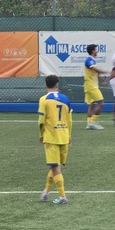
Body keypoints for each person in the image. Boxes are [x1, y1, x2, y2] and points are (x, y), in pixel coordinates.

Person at [38, 75, 72, 204]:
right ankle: (45, 192)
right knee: (55, 167)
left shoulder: (43, 99)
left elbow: (41, 121)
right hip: (64, 136)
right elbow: (69, 120)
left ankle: (63, 196)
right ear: (57, 85)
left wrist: (41, 135)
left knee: (55, 167)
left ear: (46, 85)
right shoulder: (66, 99)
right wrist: (69, 135)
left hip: (51, 137)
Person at [84, 44, 107, 130]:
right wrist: (105, 71)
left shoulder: (93, 60)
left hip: (91, 85)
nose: (97, 51)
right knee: (101, 103)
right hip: (91, 86)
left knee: (92, 105)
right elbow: (95, 70)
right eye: (96, 50)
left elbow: (95, 73)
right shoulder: (89, 60)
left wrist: (102, 81)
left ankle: (89, 123)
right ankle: (93, 122)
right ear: (93, 51)